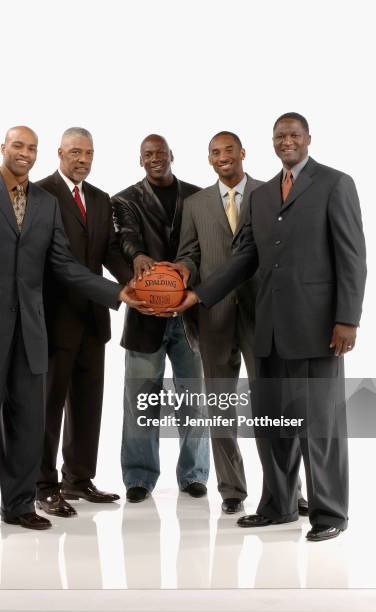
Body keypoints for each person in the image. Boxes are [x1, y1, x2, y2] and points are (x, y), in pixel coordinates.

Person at [168, 113, 366, 541]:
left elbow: (353, 256)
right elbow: (243, 259)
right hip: (268, 331)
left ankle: (330, 513)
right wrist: (198, 296)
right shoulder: (262, 197)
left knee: (320, 426)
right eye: (280, 136)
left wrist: (347, 319)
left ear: (308, 138)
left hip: (318, 331)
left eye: (294, 135)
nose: (287, 141)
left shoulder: (335, 184)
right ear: (272, 143)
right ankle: (277, 506)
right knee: (273, 424)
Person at [0, 126, 142, 539]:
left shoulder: (46, 204)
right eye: (18, 145)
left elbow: (64, 265)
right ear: (3, 148)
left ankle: (17, 505)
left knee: (27, 422)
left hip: (32, 330)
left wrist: (116, 291)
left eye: (31, 148)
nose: (25, 154)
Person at [174, 131, 307, 515]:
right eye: (214, 152)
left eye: (228, 150)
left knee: (274, 406)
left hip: (262, 314)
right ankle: (232, 489)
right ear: (209, 159)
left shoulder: (271, 194)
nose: (222, 157)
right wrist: (181, 271)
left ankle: (288, 489)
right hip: (213, 317)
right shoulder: (195, 204)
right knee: (220, 405)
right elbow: (190, 254)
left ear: (243, 153)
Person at [35, 127, 132, 516]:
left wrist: (139, 284)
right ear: (60, 152)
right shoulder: (41, 193)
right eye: (75, 152)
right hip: (55, 316)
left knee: (88, 404)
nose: (83, 160)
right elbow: (55, 261)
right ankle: (42, 484)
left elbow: (108, 250)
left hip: (93, 318)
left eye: (89, 153)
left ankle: (78, 478)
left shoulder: (99, 198)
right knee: (49, 405)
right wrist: (117, 292)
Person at [112, 134, 210, 503]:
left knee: (195, 399)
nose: (155, 159)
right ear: (141, 161)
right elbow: (125, 235)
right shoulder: (124, 200)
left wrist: (186, 270)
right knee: (140, 399)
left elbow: (203, 245)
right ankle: (139, 476)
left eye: (160, 153)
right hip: (146, 316)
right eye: (147, 155)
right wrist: (137, 256)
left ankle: (194, 474)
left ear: (172, 155)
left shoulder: (199, 197)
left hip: (189, 314)